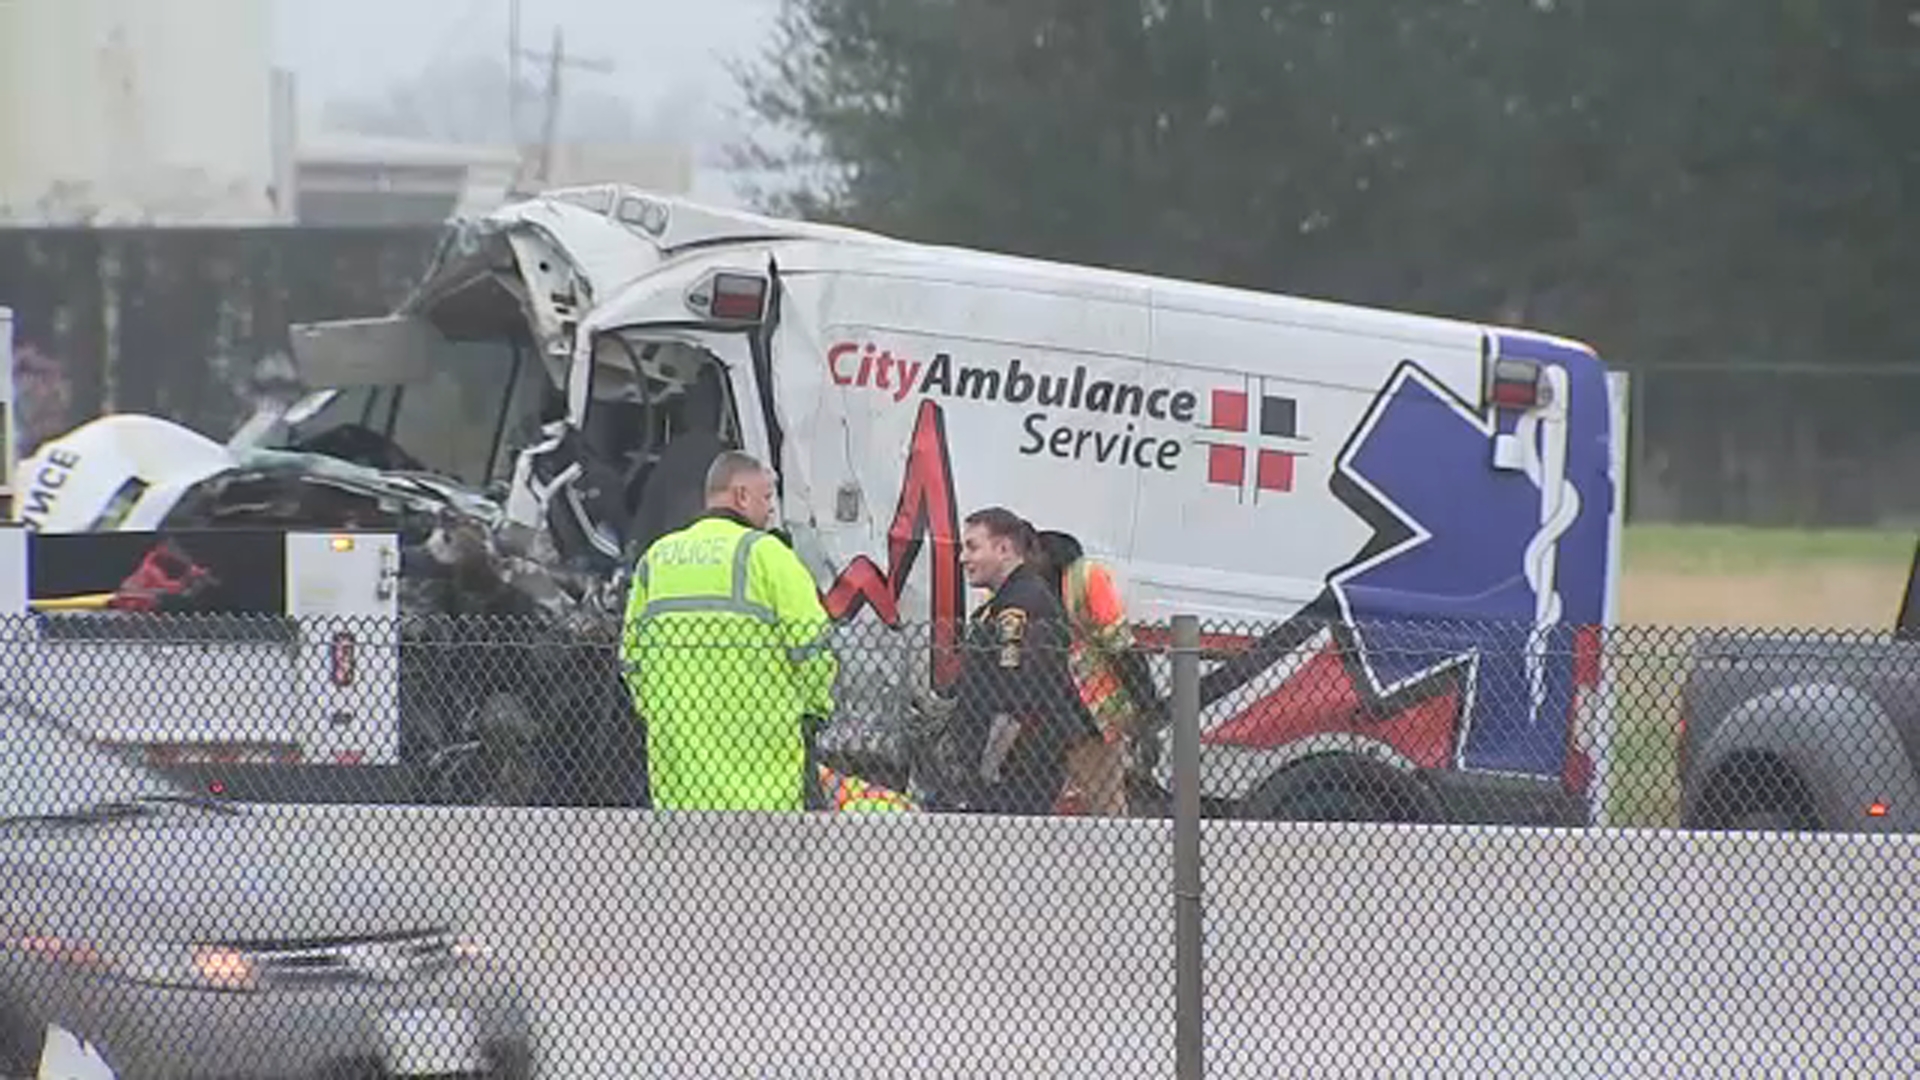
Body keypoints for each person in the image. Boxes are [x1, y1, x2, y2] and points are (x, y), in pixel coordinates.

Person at [620, 450, 840, 811]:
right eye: (767, 497)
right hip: (767, 778)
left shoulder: (657, 558)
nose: (771, 509)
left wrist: (660, 711)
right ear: (740, 496)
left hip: (679, 776)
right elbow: (813, 645)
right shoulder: (768, 556)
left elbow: (631, 659)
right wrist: (812, 711)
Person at [949, 507, 1101, 815]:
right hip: (1012, 764)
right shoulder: (1006, 602)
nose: (962, 558)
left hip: (1018, 768)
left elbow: (1016, 696)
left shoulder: (1021, 605)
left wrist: (983, 765)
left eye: (972, 547)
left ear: (1003, 549)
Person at [1034, 529, 1162, 816]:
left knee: (1105, 801)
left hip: (1088, 714)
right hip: (1063, 711)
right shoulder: (1026, 588)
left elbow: (1122, 649)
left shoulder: (1085, 579)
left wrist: (1146, 709)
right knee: (1096, 801)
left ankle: (1116, 853)